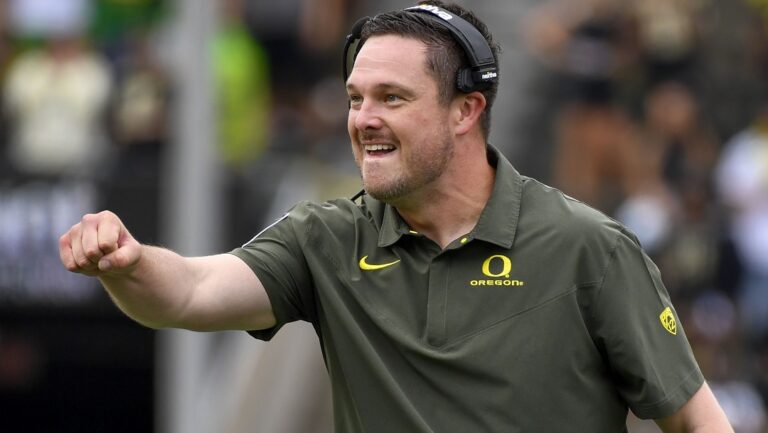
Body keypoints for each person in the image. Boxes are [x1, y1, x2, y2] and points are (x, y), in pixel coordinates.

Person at [58, 1, 733, 431]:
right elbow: (191, 290)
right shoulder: (325, 238)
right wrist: (131, 262)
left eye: (391, 97)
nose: (362, 120)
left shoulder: (590, 247)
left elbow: (698, 421)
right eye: (354, 97)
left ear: (466, 110)